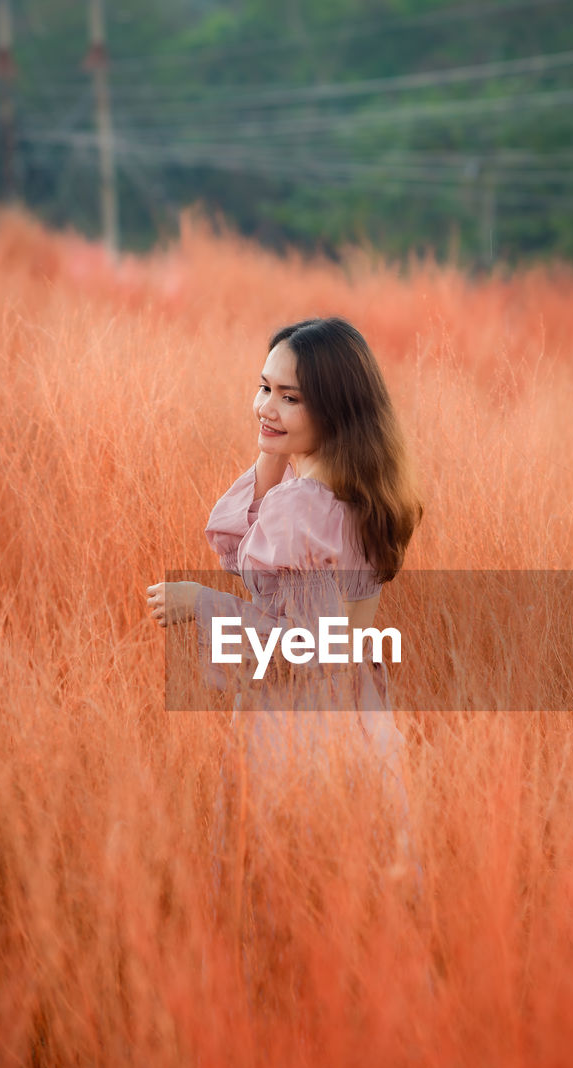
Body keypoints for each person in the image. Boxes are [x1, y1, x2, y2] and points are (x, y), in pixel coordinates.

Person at [147, 316, 422, 888]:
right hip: (360, 717)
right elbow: (250, 556)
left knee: (279, 888)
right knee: (350, 893)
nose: (265, 406)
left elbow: (297, 651)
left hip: (298, 730)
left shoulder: (301, 512)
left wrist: (199, 603)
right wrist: (275, 449)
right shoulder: (362, 498)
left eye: (289, 397)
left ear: (335, 409)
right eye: (264, 386)